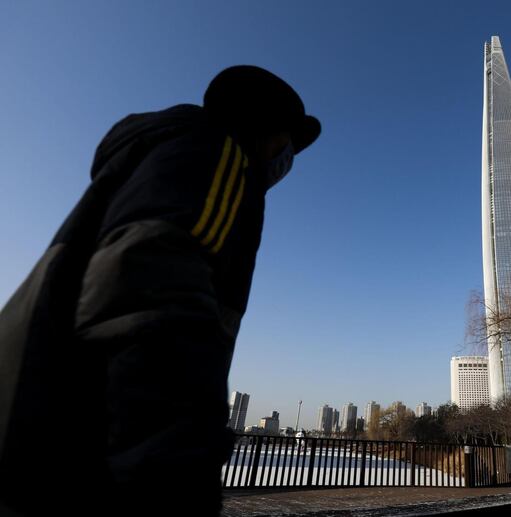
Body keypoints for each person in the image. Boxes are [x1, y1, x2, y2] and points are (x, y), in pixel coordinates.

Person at [0, 66, 320, 516]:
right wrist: (174, 467)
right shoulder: (218, 153)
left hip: (40, 410)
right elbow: (149, 290)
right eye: (289, 144)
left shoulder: (156, 159)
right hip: (82, 436)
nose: (288, 159)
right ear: (265, 130)